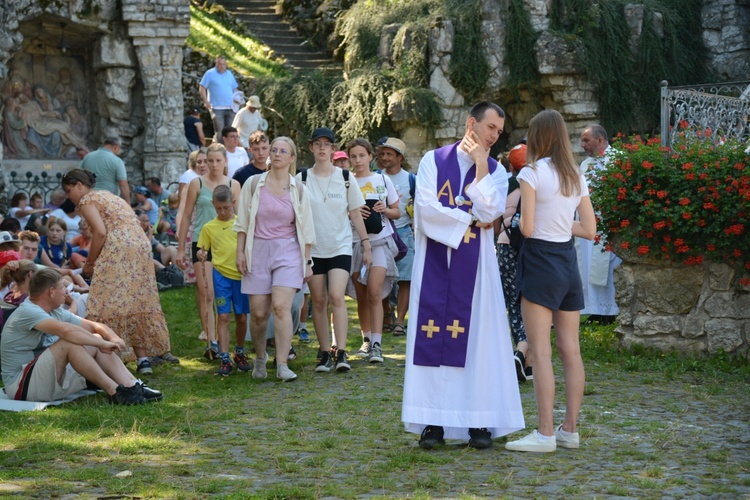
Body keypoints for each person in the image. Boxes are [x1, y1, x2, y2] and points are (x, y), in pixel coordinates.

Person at [401, 102, 525, 450]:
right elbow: (426, 210)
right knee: (432, 341)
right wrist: (470, 220)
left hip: (478, 272)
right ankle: (434, 422)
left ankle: (478, 421)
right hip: (434, 267)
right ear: (472, 123)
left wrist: (483, 166)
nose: (494, 136)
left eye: (499, 132)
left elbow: (490, 211)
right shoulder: (433, 161)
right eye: (490, 128)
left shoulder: (497, 171)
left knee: (479, 343)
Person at [504, 109, 596, 453]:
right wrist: (558, 222)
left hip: (540, 260)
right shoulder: (575, 174)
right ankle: (569, 429)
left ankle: (544, 434)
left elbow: (526, 228)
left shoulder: (530, 173)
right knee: (571, 350)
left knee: (540, 352)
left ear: (537, 136)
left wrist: (534, 220)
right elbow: (589, 229)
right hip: (567, 261)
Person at [61, 168, 176, 375]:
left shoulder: (87, 200)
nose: (68, 197)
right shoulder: (108, 195)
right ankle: (143, 361)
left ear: (79, 185)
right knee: (135, 300)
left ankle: (105, 362)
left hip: (118, 249)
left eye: (69, 191)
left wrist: (90, 263)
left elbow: (100, 232)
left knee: (104, 302)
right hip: (140, 246)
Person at [1, 268, 162, 405]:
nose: (67, 291)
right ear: (51, 292)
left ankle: (131, 385)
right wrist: (102, 344)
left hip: (36, 378)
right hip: (20, 386)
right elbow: (67, 332)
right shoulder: (29, 311)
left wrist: (112, 338)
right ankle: (115, 392)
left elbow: (94, 326)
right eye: (63, 287)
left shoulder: (54, 310)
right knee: (70, 342)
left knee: (96, 338)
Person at [235, 136, 315, 381]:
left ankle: (282, 364)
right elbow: (242, 223)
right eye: (274, 150)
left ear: (292, 158)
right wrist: (240, 252)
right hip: (257, 250)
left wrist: (307, 261)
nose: (277, 154)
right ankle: (260, 357)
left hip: (288, 251)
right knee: (258, 313)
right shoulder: (252, 184)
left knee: (281, 307)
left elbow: (307, 229)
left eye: (283, 151)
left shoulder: (298, 188)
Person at [297, 127, 371, 373]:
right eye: (317, 143)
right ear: (311, 147)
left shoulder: (345, 178)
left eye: (326, 144)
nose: (321, 148)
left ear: (332, 149)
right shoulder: (302, 179)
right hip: (313, 248)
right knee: (319, 300)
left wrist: (366, 244)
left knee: (337, 297)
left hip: (340, 245)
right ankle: (324, 351)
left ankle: (341, 351)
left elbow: (355, 214)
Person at [176, 143, 241, 359]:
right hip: (201, 242)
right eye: (209, 160)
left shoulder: (233, 184)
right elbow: (185, 216)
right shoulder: (196, 184)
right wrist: (180, 249)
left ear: (225, 162)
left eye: (217, 160)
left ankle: (225, 340)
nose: (213, 165)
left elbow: (240, 218)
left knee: (224, 291)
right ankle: (211, 339)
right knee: (207, 291)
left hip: (226, 243)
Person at [348, 138, 400, 369]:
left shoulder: (382, 179)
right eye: (353, 156)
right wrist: (352, 212)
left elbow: (398, 211)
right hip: (353, 242)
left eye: (362, 155)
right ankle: (366, 339)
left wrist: (385, 209)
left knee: (375, 291)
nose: (357, 160)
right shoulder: (346, 182)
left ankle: (378, 343)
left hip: (380, 241)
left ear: (370, 156)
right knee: (361, 295)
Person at [196, 185, 250, 377]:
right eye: (218, 208)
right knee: (224, 316)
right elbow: (202, 249)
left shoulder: (241, 224)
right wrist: (201, 253)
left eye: (226, 207)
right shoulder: (208, 227)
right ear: (213, 205)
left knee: (242, 317)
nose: (222, 211)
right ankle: (225, 356)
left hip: (241, 276)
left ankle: (240, 352)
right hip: (221, 277)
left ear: (233, 203)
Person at [495, 143, 532, 382]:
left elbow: (496, 219)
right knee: (529, 301)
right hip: (530, 247)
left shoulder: (504, 185)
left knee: (512, 300)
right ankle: (524, 354)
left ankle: (523, 355)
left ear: (510, 165)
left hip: (505, 244)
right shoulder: (534, 185)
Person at [578, 124, 620, 324]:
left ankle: (610, 311)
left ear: (601, 140)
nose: (582, 144)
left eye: (586, 140)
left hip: (609, 226)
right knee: (588, 266)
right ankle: (595, 310)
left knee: (608, 267)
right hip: (588, 226)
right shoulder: (585, 165)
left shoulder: (618, 160)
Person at [377, 137, 415, 337]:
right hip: (382, 233)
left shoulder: (411, 180)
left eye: (389, 154)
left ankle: (400, 320)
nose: (384, 158)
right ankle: (385, 314)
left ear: (400, 157)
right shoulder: (375, 177)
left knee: (405, 279)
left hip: (404, 233)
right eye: (382, 154)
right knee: (380, 277)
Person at [199, 56, 239, 144]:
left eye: (223, 64)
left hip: (230, 107)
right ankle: (220, 150)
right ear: (216, 64)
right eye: (219, 64)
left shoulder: (229, 74)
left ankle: (228, 149)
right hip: (216, 108)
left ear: (226, 65)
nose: (221, 66)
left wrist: (238, 100)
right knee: (220, 130)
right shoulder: (209, 73)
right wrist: (206, 101)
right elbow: (202, 88)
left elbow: (235, 89)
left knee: (230, 130)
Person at [80, 137, 130, 203]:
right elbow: (123, 184)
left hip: (89, 199)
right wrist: (128, 204)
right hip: (109, 201)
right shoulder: (117, 161)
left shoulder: (87, 157)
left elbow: (80, 176)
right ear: (116, 147)